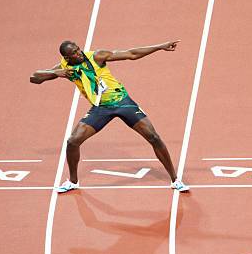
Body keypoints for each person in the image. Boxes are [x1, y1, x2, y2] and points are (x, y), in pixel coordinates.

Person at [30, 40, 189, 193]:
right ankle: (72, 181)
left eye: (78, 49)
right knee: (73, 142)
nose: (80, 53)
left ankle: (175, 180)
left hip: (123, 102)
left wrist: (160, 47)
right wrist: (57, 73)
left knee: (153, 137)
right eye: (75, 53)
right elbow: (35, 78)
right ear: (67, 58)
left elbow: (131, 54)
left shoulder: (96, 56)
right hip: (101, 108)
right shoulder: (65, 68)